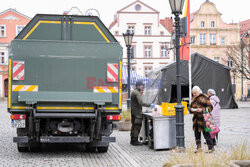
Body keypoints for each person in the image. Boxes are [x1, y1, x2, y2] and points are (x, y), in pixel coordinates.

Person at [188, 86, 215, 153]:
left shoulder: (204, 97)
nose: (194, 94)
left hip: (204, 119)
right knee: (196, 134)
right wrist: (191, 110)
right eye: (193, 93)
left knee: (206, 133)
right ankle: (198, 148)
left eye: (195, 93)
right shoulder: (193, 99)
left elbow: (210, 107)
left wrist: (201, 110)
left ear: (199, 92)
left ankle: (211, 148)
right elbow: (190, 108)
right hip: (196, 119)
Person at [130, 80, 154, 146]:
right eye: (141, 86)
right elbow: (141, 102)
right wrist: (150, 105)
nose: (143, 87)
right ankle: (135, 141)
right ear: (138, 86)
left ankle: (132, 140)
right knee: (137, 127)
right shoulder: (137, 93)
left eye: (143, 86)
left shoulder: (133, 92)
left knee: (134, 126)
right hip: (137, 113)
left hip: (134, 112)